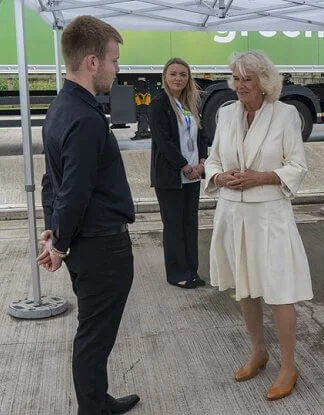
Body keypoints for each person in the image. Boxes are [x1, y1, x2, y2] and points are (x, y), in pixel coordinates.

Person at [37, 15, 140, 415]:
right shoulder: (84, 117)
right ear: (93, 62)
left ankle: (98, 401)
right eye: (114, 61)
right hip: (101, 247)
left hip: (83, 243)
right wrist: (58, 244)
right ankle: (93, 410)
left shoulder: (61, 107)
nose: (117, 70)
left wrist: (54, 231)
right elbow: (74, 190)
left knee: (92, 332)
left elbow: (53, 181)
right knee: (94, 337)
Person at [204, 50, 312, 401]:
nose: (239, 86)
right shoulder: (224, 114)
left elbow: (297, 165)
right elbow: (213, 158)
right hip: (233, 213)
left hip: (270, 215)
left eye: (247, 79)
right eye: (235, 78)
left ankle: (289, 365)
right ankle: (257, 351)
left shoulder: (285, 115)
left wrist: (260, 177)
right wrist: (220, 176)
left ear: (264, 82)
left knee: (280, 292)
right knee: (245, 289)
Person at [149, 57, 208, 289]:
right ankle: (177, 274)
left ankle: (192, 270)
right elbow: (163, 141)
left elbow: (202, 136)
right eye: (173, 74)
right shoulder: (159, 103)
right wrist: (184, 166)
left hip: (193, 175)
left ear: (188, 78)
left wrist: (202, 164)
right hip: (171, 176)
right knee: (173, 226)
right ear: (165, 76)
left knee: (190, 224)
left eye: (183, 74)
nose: (178, 78)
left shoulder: (191, 103)